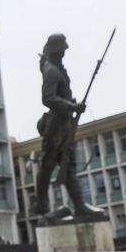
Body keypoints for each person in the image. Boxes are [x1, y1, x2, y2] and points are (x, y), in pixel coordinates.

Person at [34, 33, 104, 219]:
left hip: (63, 123)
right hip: (55, 126)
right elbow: (47, 98)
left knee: (67, 163)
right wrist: (73, 106)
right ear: (56, 51)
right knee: (49, 164)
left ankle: (78, 206)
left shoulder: (56, 68)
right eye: (62, 50)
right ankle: (42, 206)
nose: (64, 53)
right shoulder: (52, 71)